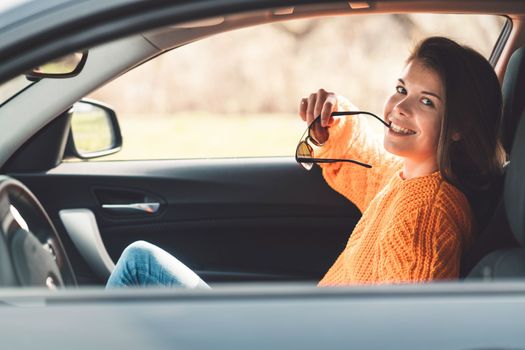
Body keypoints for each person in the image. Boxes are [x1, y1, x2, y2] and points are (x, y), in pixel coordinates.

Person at [106, 36, 505, 288]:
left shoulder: (430, 212)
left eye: (426, 101)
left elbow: (408, 331)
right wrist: (330, 120)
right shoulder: (407, 183)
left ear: (459, 128)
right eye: (401, 89)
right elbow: (365, 162)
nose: (399, 107)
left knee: (141, 264)